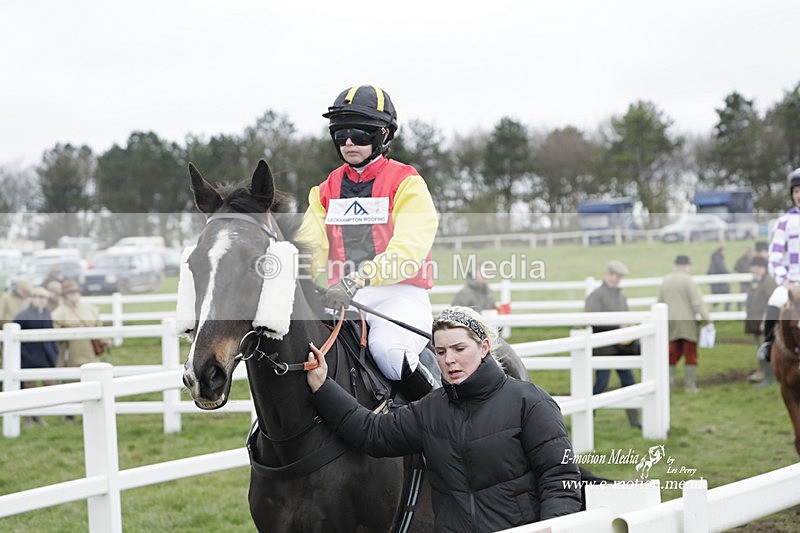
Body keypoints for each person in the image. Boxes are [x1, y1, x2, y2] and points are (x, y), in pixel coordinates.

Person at [306, 306, 582, 531]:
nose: (449, 360)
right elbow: (372, 433)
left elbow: (560, 478)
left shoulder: (531, 402)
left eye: (459, 349)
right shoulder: (429, 410)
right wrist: (323, 386)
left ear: (484, 347)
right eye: (440, 352)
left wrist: (552, 528)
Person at [297, 85, 439, 401]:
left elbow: (408, 250)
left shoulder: (407, 183)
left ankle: (442, 424)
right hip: (339, 299)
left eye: (360, 134)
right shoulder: (324, 190)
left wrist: (358, 278)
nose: (348, 142)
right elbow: (310, 248)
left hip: (398, 295)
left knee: (390, 353)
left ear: (384, 135)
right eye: (340, 134)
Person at [584, 260, 640, 428]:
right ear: (607, 274)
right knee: (601, 384)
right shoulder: (597, 295)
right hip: (605, 348)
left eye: (620, 276)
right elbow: (590, 319)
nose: (618, 279)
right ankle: (587, 419)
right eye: (616, 276)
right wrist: (617, 325)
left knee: (629, 382)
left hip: (622, 347)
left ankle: (635, 421)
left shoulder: (621, 296)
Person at [756, 168, 800, 371]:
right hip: (791, 282)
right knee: (774, 301)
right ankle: (767, 344)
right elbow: (774, 259)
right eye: (796, 191)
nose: (798, 195)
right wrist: (786, 282)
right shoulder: (783, 223)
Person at [657, 255, 712, 393]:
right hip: (687, 322)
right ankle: (690, 385)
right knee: (690, 353)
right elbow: (697, 303)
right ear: (686, 265)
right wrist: (708, 319)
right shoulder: (688, 281)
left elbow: (659, 301)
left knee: (672, 352)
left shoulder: (666, 280)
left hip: (670, 322)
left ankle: (669, 382)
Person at [14, 286, 58, 427]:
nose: (42, 301)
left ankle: (38, 416)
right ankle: (28, 418)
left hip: (45, 357)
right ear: (32, 298)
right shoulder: (22, 316)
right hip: (29, 359)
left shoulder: (46, 313)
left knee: (45, 389)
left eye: (45, 298)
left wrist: (53, 353)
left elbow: (50, 334)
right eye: (40, 298)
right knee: (29, 389)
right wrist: (25, 356)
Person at [51, 280, 107, 369]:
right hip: (70, 356)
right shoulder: (58, 313)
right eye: (70, 292)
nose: (74, 294)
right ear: (65, 295)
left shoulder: (90, 309)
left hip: (90, 354)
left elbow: (98, 326)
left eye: (75, 291)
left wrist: (104, 340)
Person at [744, 256, 776, 385]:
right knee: (760, 348)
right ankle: (762, 373)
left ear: (760, 267)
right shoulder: (759, 280)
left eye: (753, 267)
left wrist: (765, 321)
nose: (752, 270)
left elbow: (771, 303)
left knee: (765, 348)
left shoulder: (768, 281)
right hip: (756, 321)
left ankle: (769, 378)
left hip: (764, 322)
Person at [707, 246, 730, 311]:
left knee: (716, 297)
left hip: (715, 281)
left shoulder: (714, 258)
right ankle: (726, 310)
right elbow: (721, 268)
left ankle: (715, 309)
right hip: (719, 282)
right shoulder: (718, 258)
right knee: (726, 295)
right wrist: (728, 273)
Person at [733, 247, 753, 311]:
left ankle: (749, 308)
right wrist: (741, 272)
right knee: (742, 293)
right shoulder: (741, 260)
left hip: (751, 281)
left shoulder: (752, 260)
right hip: (743, 281)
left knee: (751, 294)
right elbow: (735, 267)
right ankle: (739, 308)